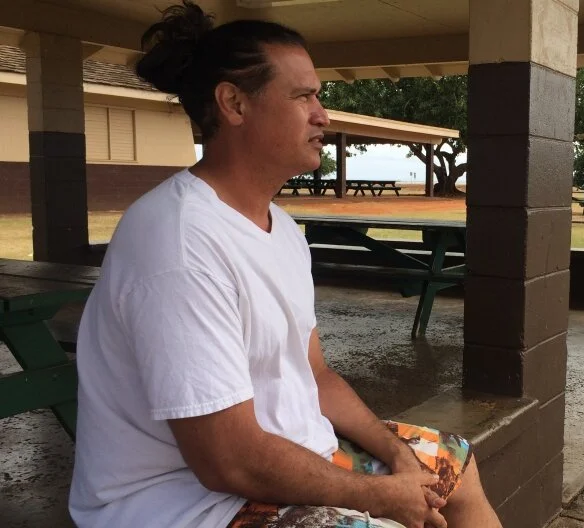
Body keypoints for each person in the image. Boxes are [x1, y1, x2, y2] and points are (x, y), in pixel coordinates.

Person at [67, 2, 502, 527]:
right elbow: (227, 460)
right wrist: (379, 498)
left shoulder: (282, 230)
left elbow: (314, 374)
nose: (322, 115)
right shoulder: (178, 243)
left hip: (284, 455)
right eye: (302, 96)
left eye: (318, 96)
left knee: (454, 464)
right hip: (184, 503)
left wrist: (395, 454)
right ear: (234, 104)